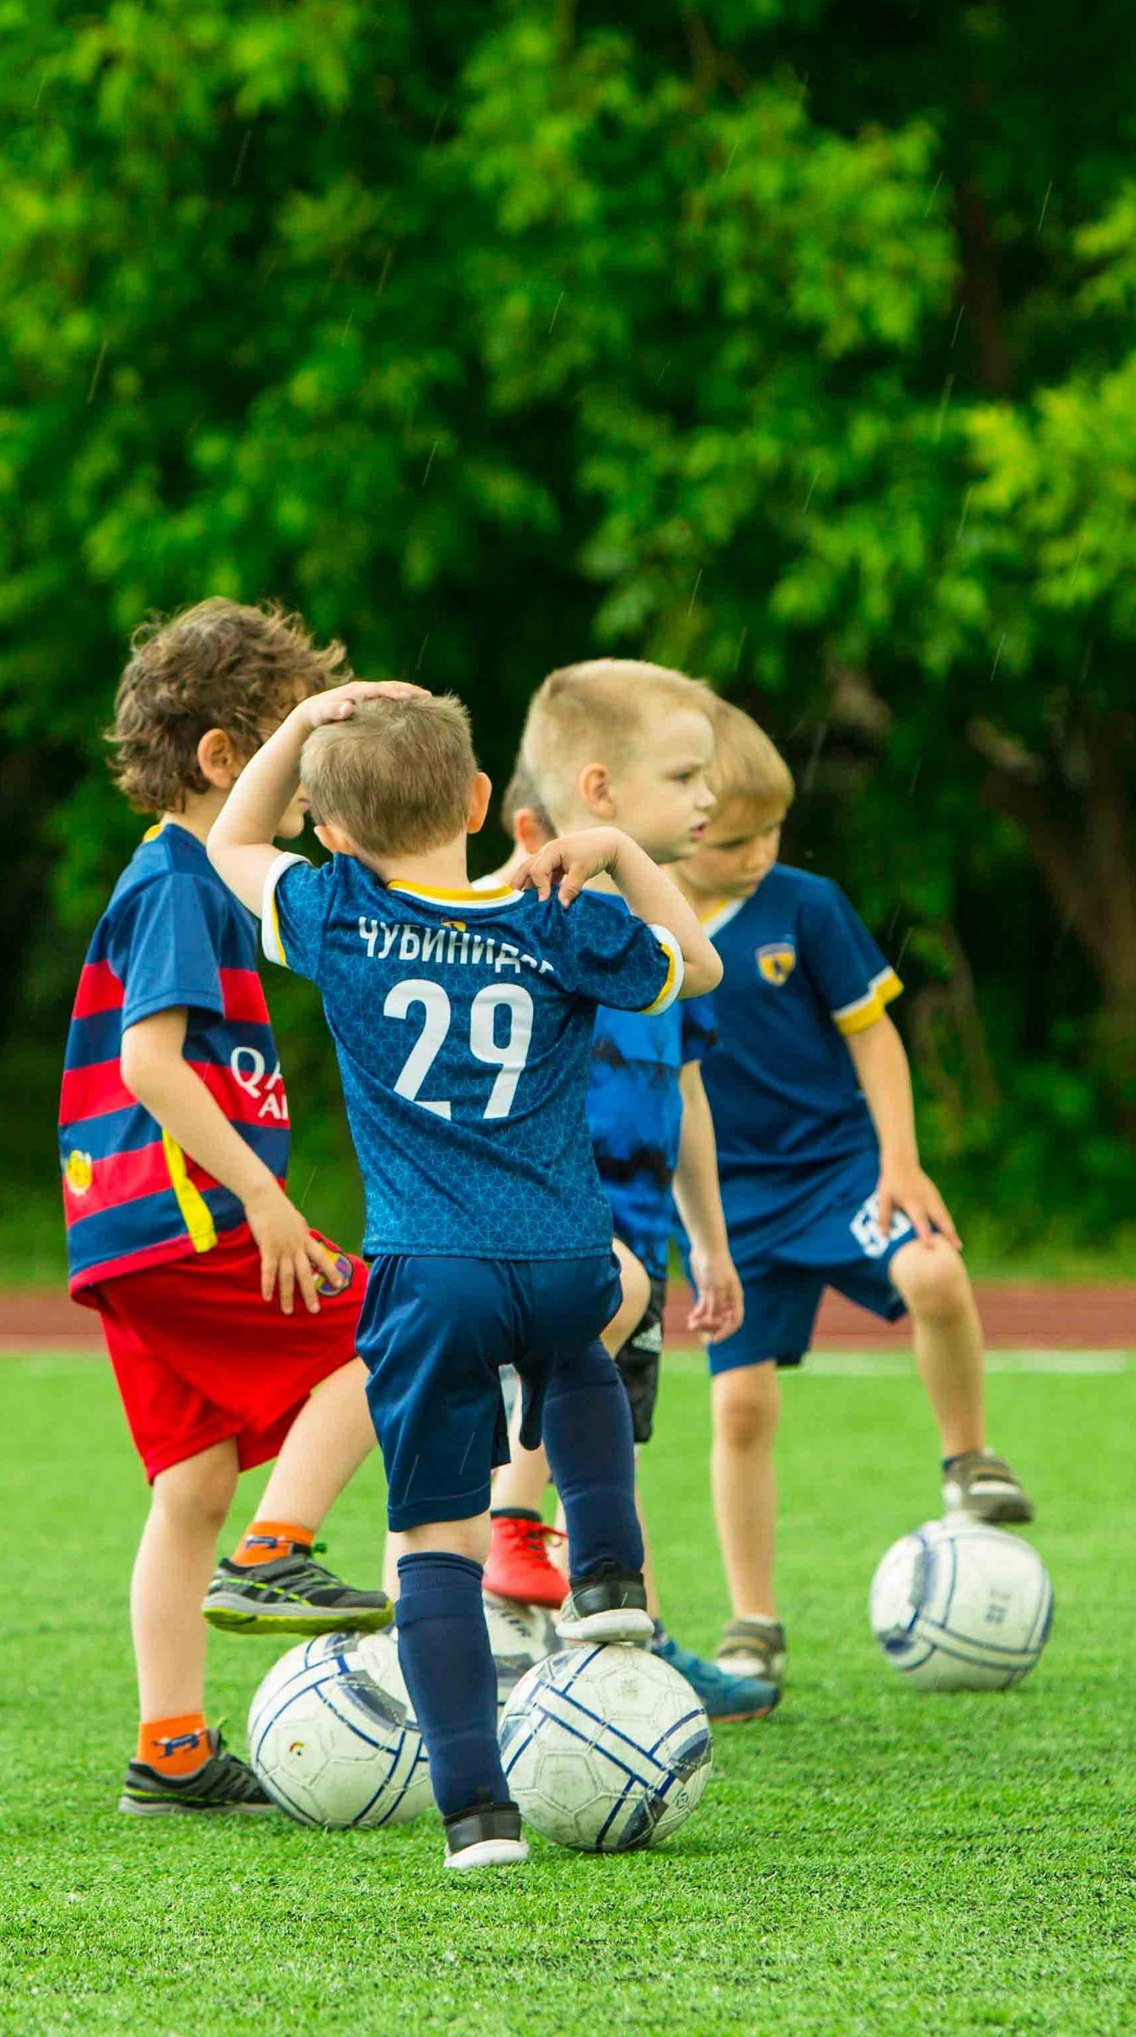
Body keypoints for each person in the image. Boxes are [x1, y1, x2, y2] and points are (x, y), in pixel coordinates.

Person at [210, 683, 722, 1873]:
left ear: (328, 830)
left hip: (428, 1270)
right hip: (557, 1251)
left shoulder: (334, 910)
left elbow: (233, 838)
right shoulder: (551, 913)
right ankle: (607, 1574)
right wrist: (615, 860)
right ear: (484, 800)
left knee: (434, 1539)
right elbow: (694, 968)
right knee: (579, 1351)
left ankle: (476, 1817)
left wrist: (297, 729)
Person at [64, 600, 393, 1821]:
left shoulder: (191, 880)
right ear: (223, 759)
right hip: (183, 1217)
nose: (307, 786)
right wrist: (260, 1195)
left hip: (126, 1237)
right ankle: (279, 1549)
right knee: (397, 1319)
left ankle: (172, 1746)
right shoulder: (181, 883)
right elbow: (151, 1065)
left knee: (191, 1480)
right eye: (289, 752)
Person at [677, 695, 1036, 1695]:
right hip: (727, 1204)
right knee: (740, 1407)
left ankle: (967, 1458)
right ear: (679, 825)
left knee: (932, 1268)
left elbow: (872, 1032)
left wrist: (900, 1159)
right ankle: (754, 1620)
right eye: (732, 842)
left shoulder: (807, 905)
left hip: (840, 1169)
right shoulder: (636, 920)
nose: (756, 856)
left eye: (770, 834)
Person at [481, 662, 777, 1722]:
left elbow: (686, 1091)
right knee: (543, 1419)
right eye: (684, 775)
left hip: (643, 1242)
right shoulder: (526, 919)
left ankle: (629, 1628)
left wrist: (711, 1243)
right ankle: (496, 1586)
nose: (708, 799)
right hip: (556, 1234)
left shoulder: (663, 938)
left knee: (605, 1448)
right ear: (598, 791)